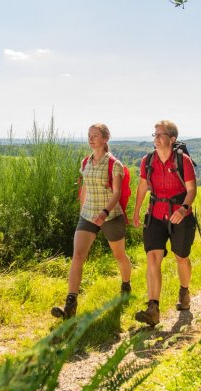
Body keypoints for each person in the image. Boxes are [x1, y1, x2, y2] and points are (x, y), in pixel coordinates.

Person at [51, 123, 134, 319]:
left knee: (119, 256)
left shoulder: (115, 164)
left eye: (95, 135)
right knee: (78, 256)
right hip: (88, 215)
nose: (91, 138)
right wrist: (82, 213)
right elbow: (85, 189)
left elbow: (117, 193)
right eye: (89, 135)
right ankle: (70, 306)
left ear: (105, 139)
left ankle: (126, 284)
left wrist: (104, 213)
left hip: (111, 215)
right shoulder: (85, 162)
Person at [131, 120, 196, 326]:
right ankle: (153, 308)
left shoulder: (182, 160)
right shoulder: (147, 161)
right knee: (152, 258)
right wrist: (136, 211)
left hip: (180, 215)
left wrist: (184, 208)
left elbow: (192, 189)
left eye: (161, 134)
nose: (156, 138)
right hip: (156, 214)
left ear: (172, 139)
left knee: (181, 257)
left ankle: (184, 291)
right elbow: (142, 187)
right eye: (155, 134)